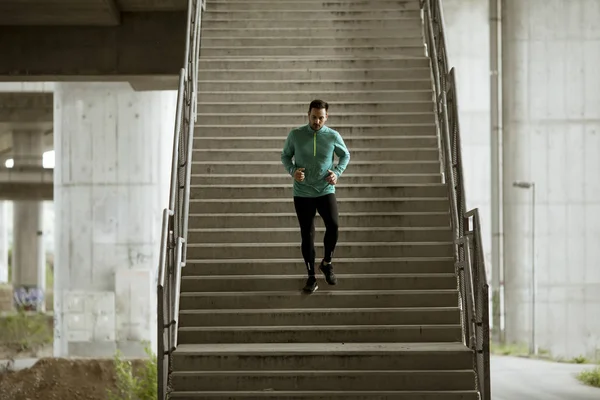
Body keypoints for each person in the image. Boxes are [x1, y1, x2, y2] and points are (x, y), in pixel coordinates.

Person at [281, 99, 351, 293]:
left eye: (321, 118)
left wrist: (337, 172)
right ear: (308, 115)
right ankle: (311, 277)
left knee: (334, 225)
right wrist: (292, 171)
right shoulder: (296, 135)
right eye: (314, 117)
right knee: (307, 234)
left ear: (326, 117)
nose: (317, 122)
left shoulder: (332, 136)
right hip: (302, 192)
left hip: (325, 190)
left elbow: (345, 155)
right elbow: (285, 156)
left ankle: (327, 262)